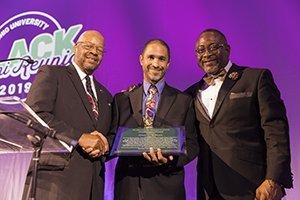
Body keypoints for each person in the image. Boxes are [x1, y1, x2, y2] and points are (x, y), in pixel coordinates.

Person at [185, 29, 293, 200]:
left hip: (254, 188)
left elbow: (276, 131)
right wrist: (133, 95)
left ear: (227, 49)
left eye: (213, 47)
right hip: (209, 190)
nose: (206, 54)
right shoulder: (191, 93)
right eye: (200, 50)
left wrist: (273, 179)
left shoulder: (255, 78)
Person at [23, 30, 112, 200]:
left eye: (99, 49)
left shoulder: (106, 95)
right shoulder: (53, 74)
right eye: (88, 46)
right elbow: (35, 116)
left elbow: (106, 134)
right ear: (75, 47)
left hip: (94, 186)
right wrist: (78, 137)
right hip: (55, 182)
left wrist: (104, 145)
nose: (94, 52)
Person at [109, 39, 199, 200]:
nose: (156, 64)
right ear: (141, 60)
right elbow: (112, 138)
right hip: (128, 186)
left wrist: (170, 160)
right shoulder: (121, 99)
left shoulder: (183, 100)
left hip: (167, 187)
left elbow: (192, 144)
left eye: (161, 59)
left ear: (168, 64)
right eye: (151, 57)